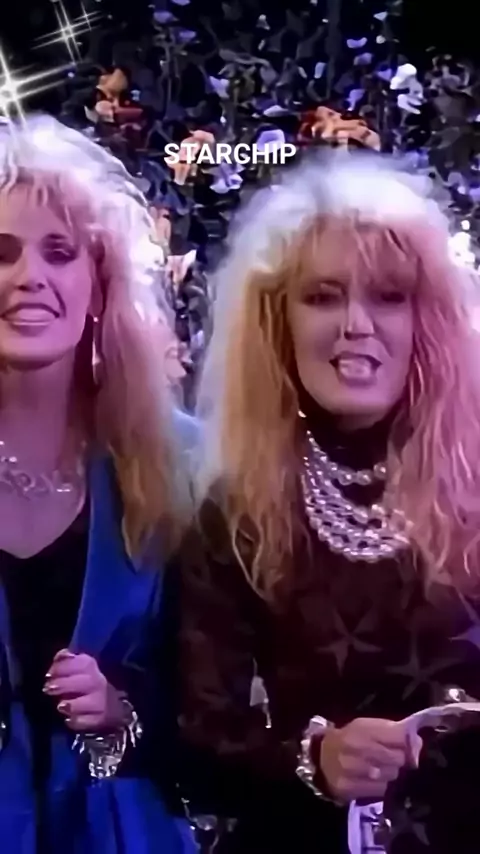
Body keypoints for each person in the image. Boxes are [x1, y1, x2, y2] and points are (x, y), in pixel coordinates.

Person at [170, 152, 480, 854]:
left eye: (389, 296)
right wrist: (315, 760)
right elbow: (198, 738)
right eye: (323, 296)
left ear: (429, 321)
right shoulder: (237, 510)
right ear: (276, 321)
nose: (356, 324)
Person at [0, 115, 197, 854]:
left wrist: (123, 712)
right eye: (1, 252)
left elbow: (221, 707)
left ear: (97, 286)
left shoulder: (184, 463)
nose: (30, 277)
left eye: (59, 252)